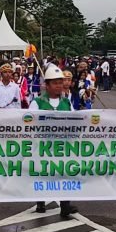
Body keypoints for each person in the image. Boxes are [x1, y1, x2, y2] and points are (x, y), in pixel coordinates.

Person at [31, 65, 79, 217]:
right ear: (47, 85)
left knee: (65, 173)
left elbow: (75, 121)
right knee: (43, 173)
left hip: (63, 146)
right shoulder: (37, 102)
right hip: (44, 146)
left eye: (61, 82)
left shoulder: (66, 103)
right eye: (55, 83)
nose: (59, 86)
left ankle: (65, 206)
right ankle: (40, 202)